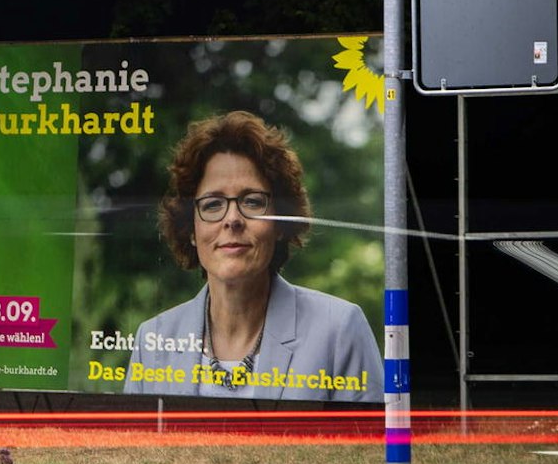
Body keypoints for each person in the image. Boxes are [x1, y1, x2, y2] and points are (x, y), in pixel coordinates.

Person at [123, 111, 382, 401]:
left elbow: (365, 448)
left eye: (252, 201)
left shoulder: (339, 329)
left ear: (280, 224)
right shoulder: (154, 339)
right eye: (212, 204)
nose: (232, 219)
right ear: (191, 229)